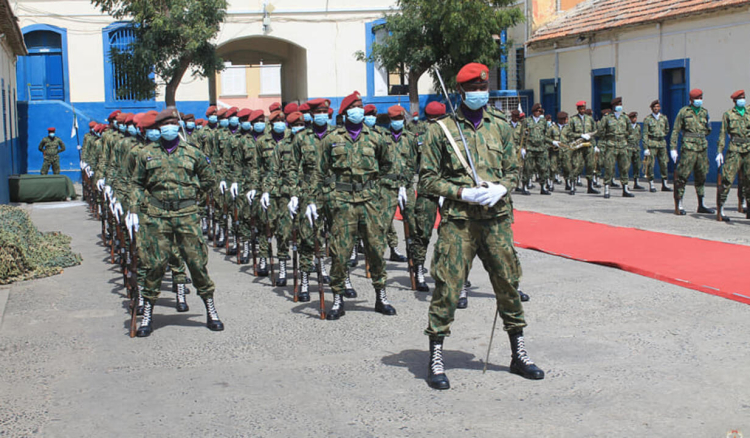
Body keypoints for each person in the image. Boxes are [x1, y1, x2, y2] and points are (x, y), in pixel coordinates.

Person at [420, 63, 543, 390]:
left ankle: (518, 353)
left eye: (483, 88)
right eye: (473, 89)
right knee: (447, 286)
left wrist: (502, 188)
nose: (479, 94)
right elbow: (428, 180)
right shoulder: (440, 129)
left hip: (496, 219)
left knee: (508, 283)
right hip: (459, 221)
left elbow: (512, 170)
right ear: (461, 92)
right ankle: (435, 356)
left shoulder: (501, 126)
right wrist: (462, 192)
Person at [127, 107, 222, 337]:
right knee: (154, 265)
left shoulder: (193, 153)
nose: (168, 128)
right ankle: (147, 313)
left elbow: (210, 178)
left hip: (186, 215)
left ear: (177, 126)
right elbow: (136, 184)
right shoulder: (146, 154)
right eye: (164, 125)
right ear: (159, 128)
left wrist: (194, 198)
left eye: (172, 124)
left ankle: (211, 310)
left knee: (196, 263)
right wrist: (134, 209)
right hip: (157, 216)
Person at [307, 91, 395, 320]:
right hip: (342, 202)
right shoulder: (331, 138)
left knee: (375, 249)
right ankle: (337, 298)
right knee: (340, 252)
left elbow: (387, 166)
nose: (359, 110)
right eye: (355, 106)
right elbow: (319, 172)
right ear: (345, 112)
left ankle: (381, 295)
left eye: (361, 106)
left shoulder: (375, 138)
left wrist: (376, 188)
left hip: (369, 201)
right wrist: (316, 200)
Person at [412, 101, 447, 292]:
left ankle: (444, 271)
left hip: (448, 189)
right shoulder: (420, 134)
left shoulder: (452, 132)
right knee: (422, 232)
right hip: (427, 190)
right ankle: (418, 268)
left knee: (449, 233)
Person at [670, 88, 715, 215]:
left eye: (701, 98)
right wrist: (673, 148)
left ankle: (701, 204)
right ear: (691, 100)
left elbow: (709, 129)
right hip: (688, 149)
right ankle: (679, 204)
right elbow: (675, 130)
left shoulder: (704, 112)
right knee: (682, 176)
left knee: (701, 176)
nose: (699, 100)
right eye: (697, 98)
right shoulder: (684, 112)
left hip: (701, 148)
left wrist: (700, 136)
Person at [716, 90, 750, 221]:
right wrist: (720, 151)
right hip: (735, 149)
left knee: (749, 180)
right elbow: (723, 133)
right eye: (740, 98)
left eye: (744, 98)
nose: (743, 100)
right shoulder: (728, 115)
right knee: (727, 180)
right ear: (735, 101)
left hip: (748, 149)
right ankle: (721, 209)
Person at [599, 97, 634, 198]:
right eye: (618, 104)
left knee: (624, 167)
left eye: (620, 104)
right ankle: (606, 188)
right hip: (611, 145)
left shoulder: (625, 117)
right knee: (609, 167)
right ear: (613, 106)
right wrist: (604, 143)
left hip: (623, 145)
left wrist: (628, 142)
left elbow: (630, 131)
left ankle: (625, 189)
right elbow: (601, 131)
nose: (619, 106)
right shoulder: (607, 118)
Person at [567, 101, 599, 194]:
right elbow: (569, 133)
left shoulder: (590, 119)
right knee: (576, 165)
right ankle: (572, 186)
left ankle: (590, 187)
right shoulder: (573, 120)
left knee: (590, 165)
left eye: (584, 108)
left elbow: (595, 131)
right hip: (578, 145)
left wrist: (594, 144)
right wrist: (580, 135)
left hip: (588, 145)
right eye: (580, 108)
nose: (582, 110)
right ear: (577, 109)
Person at [642, 100, 672, 193]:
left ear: (660, 108)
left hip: (661, 143)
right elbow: (645, 134)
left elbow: (667, 129)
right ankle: (651, 184)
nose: (656, 108)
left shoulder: (664, 118)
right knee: (650, 164)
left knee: (664, 163)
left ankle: (665, 184)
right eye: (654, 107)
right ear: (652, 108)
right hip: (652, 142)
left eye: (658, 106)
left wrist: (661, 134)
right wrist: (645, 147)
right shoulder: (648, 119)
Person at [521, 103, 550, 195]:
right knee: (528, 168)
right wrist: (522, 148)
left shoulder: (543, 121)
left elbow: (546, 134)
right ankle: (525, 186)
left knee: (543, 168)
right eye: (537, 111)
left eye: (540, 111)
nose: (538, 113)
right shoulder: (527, 121)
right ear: (533, 112)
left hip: (541, 148)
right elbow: (522, 135)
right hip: (530, 147)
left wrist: (549, 143)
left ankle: (543, 187)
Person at [626, 111, 645, 190]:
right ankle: (625, 183)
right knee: (626, 166)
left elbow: (640, 136)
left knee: (637, 166)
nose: (634, 119)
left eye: (635, 118)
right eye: (633, 118)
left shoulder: (638, 126)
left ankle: (636, 182)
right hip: (628, 148)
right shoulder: (627, 127)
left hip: (636, 148)